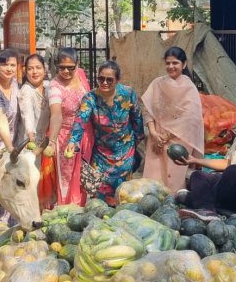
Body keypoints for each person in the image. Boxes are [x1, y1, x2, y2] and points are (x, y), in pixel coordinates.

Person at [66, 61, 144, 205]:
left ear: (117, 80)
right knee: (100, 198)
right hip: (101, 154)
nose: (105, 82)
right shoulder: (90, 98)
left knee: (123, 196)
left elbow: (137, 118)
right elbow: (80, 120)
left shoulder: (128, 94)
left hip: (125, 154)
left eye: (109, 79)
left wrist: (137, 140)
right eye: (101, 78)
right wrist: (73, 141)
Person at [141, 47, 204, 191]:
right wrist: (153, 133)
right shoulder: (157, 83)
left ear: (184, 64)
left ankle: (174, 206)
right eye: (168, 63)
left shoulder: (189, 88)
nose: (171, 66)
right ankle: (151, 206)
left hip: (179, 138)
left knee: (174, 176)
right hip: (156, 136)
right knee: (154, 175)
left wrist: (166, 136)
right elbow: (148, 109)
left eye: (175, 63)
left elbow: (190, 118)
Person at [45, 48, 93, 206]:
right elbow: (56, 114)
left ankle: (83, 210)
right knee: (66, 178)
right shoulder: (55, 86)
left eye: (70, 67)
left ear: (77, 65)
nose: (66, 71)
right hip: (65, 136)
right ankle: (67, 209)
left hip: (86, 135)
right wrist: (52, 141)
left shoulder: (81, 74)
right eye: (61, 67)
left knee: (83, 176)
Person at [18, 53, 50, 147]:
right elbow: (27, 114)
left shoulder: (48, 86)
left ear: (44, 69)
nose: (35, 72)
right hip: (30, 142)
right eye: (30, 68)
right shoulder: (26, 90)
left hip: (45, 141)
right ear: (25, 71)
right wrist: (30, 134)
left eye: (38, 67)